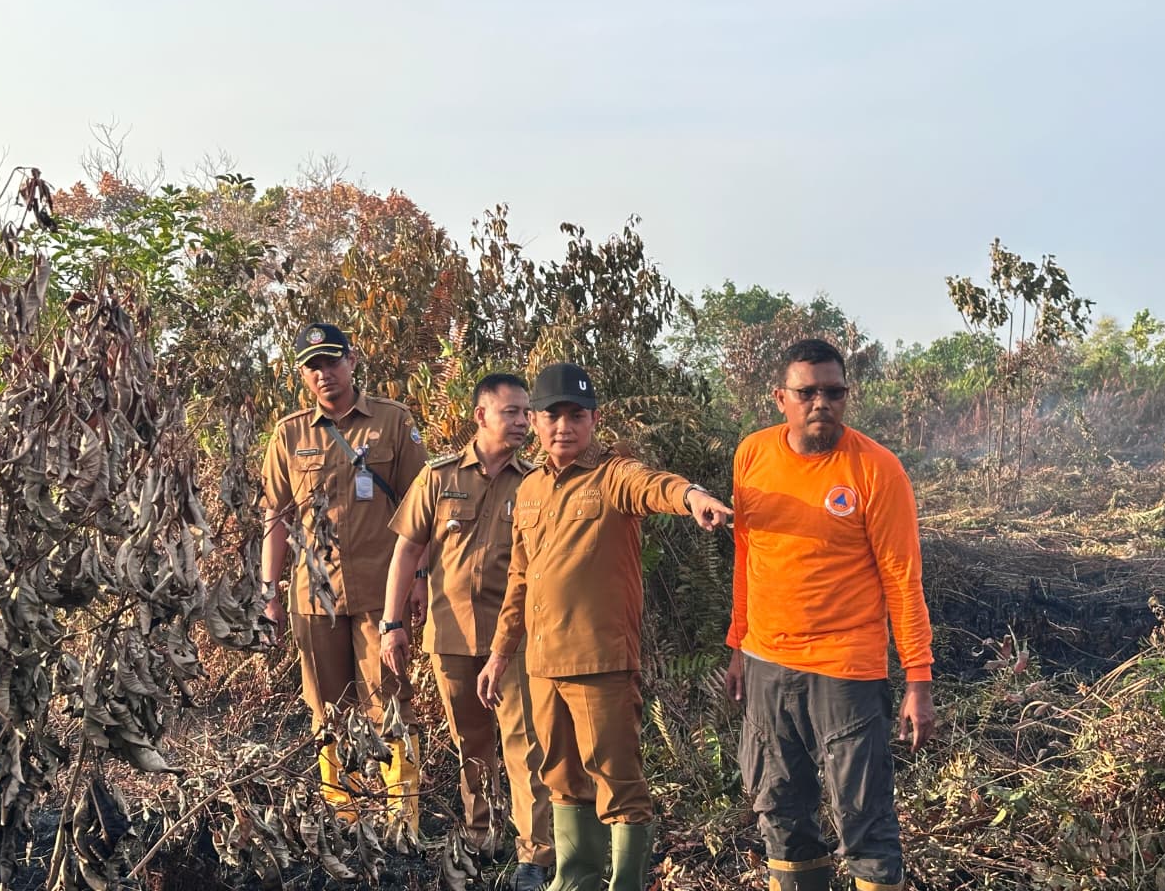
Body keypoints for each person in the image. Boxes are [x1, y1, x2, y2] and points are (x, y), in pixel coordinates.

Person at [476, 362, 734, 891]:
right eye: (552, 416)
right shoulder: (528, 491)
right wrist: (501, 653)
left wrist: (693, 498)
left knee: (618, 785)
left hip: (600, 664)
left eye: (576, 415)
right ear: (537, 421)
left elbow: (655, 486)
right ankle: (576, 881)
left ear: (594, 420)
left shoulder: (613, 476)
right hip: (542, 667)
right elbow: (520, 580)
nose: (562, 427)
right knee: (563, 781)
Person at [723, 339, 936, 891]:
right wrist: (738, 644)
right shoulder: (752, 455)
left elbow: (903, 579)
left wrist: (918, 678)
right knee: (781, 811)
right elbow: (748, 556)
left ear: (847, 395)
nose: (821, 402)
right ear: (780, 398)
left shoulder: (877, 470)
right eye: (807, 391)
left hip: (846, 668)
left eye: (834, 391)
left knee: (863, 816)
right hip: (767, 661)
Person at [381, 373, 555, 890]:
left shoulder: (536, 481)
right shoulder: (438, 478)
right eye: (512, 412)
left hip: (518, 638)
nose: (524, 422)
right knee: (472, 745)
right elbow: (407, 551)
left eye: (527, 413)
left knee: (526, 746)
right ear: (481, 416)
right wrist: (392, 625)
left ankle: (534, 855)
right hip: (451, 637)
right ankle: (482, 836)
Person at [261, 322, 428, 828]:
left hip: (383, 595)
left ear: (352, 361)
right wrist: (269, 593)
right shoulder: (289, 434)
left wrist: (420, 575)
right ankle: (347, 820)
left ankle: (404, 820)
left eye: (332, 361)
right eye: (313, 366)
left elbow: (422, 509)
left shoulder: (392, 423)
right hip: (316, 598)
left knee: (390, 705)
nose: (324, 373)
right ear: (302, 375)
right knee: (328, 711)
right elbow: (275, 517)